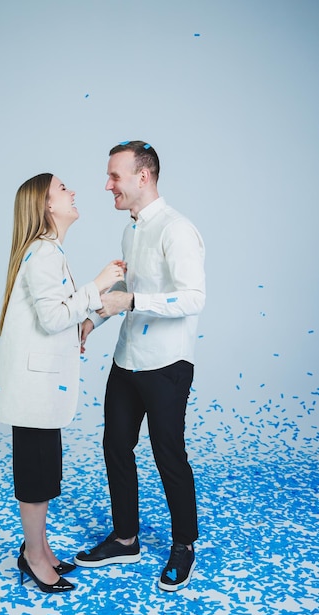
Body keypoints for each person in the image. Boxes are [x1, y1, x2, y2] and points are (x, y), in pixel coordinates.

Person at [74, 141, 206, 592]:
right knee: (115, 445)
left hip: (167, 363)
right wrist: (94, 318)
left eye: (114, 176)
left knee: (168, 453)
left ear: (142, 177)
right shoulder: (131, 230)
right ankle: (126, 537)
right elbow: (130, 285)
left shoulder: (178, 229)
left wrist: (131, 300)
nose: (107, 184)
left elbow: (193, 298)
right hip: (127, 357)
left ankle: (184, 545)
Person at [0, 173, 125, 594]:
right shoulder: (44, 253)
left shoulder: (47, 251)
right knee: (36, 475)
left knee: (44, 471)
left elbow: (51, 318)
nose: (72, 192)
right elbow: (52, 318)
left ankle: (40, 549)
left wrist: (80, 326)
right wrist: (99, 285)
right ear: (47, 205)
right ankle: (34, 557)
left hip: (39, 389)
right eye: (63, 188)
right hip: (33, 391)